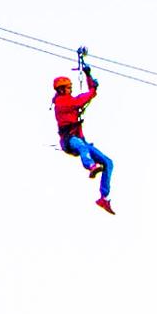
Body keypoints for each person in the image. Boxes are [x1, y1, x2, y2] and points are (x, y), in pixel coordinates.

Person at [51, 47, 115, 214]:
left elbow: (89, 94)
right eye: (68, 88)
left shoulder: (69, 100)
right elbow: (86, 96)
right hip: (69, 140)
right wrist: (90, 82)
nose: (70, 89)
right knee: (81, 146)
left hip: (79, 140)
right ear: (61, 90)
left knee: (108, 162)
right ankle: (91, 166)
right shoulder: (62, 103)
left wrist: (88, 76)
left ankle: (104, 197)